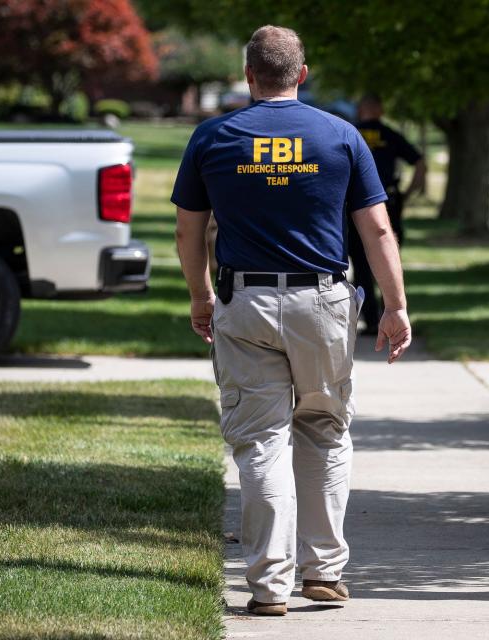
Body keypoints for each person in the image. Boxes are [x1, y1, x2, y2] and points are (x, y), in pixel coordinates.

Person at [172, 25, 411, 616]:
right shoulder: (340, 136)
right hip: (324, 304)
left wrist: (201, 297)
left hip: (245, 301)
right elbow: (377, 229)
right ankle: (325, 571)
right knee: (325, 429)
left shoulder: (213, 136)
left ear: (249, 75)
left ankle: (269, 585)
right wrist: (396, 306)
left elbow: (188, 230)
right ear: (302, 75)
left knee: (261, 442)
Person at [349, 95, 426, 333]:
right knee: (389, 257)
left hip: (354, 206)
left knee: (360, 263)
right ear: (381, 110)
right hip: (388, 201)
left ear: (361, 110)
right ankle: (391, 313)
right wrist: (408, 193)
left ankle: (371, 321)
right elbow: (420, 161)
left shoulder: (350, 134)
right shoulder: (390, 135)